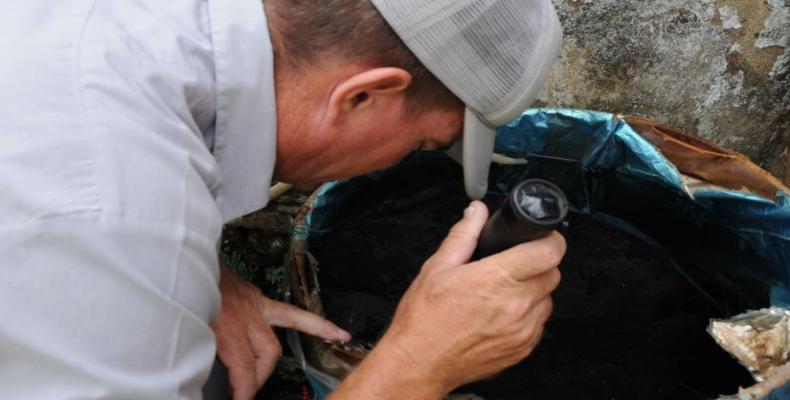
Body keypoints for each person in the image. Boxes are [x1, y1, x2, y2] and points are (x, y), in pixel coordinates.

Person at [0, 0, 565, 399]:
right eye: (420, 143)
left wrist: (205, 276)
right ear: (363, 95)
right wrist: (417, 364)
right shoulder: (113, 213)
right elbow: (103, 217)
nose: (403, 160)